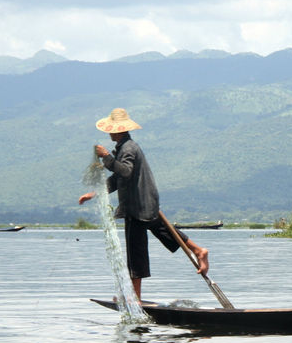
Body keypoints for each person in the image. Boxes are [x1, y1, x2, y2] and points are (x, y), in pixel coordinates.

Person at [78, 108, 209, 301]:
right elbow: (117, 179)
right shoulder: (125, 147)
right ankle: (198, 250)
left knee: (135, 250)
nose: (109, 132)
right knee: (166, 232)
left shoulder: (128, 148)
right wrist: (94, 193)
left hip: (137, 208)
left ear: (119, 130)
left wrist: (106, 156)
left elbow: (126, 172)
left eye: (111, 129)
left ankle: (134, 298)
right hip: (146, 202)